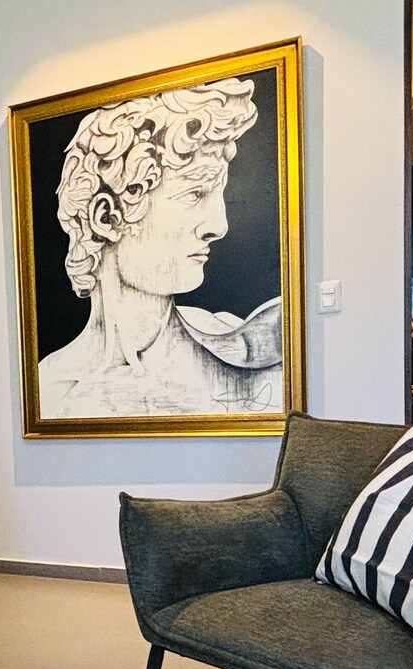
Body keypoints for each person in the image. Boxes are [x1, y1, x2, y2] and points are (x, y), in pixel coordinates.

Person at [39, 77, 282, 419]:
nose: (219, 226)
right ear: (106, 218)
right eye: (195, 194)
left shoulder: (244, 345)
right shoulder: (52, 391)